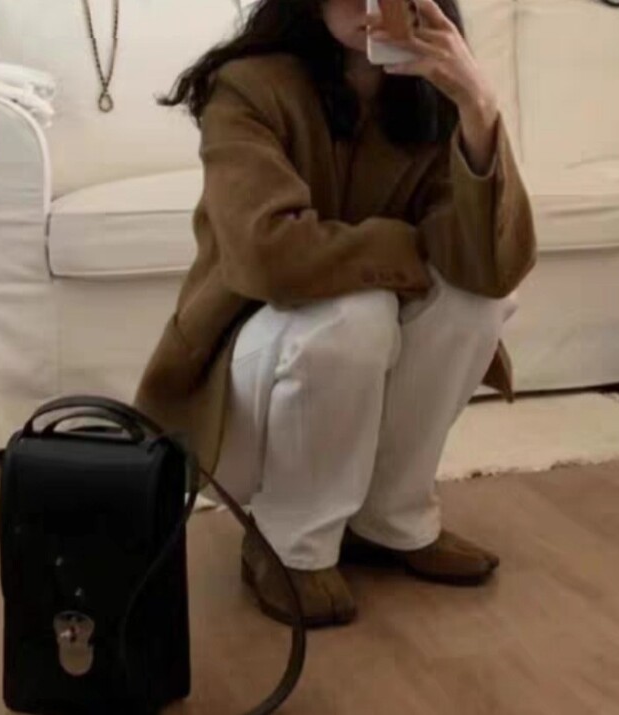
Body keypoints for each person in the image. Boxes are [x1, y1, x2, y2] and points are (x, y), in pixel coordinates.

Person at [136, 0, 536, 628]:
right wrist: (409, 251)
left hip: (340, 346)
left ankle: (390, 520)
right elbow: (270, 257)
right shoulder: (247, 87)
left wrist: (478, 108)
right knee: (358, 311)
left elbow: (490, 268)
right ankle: (289, 543)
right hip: (241, 383)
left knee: (475, 302)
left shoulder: (430, 97)